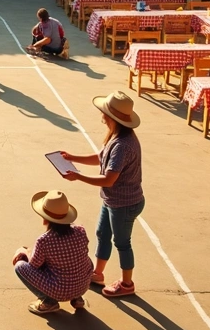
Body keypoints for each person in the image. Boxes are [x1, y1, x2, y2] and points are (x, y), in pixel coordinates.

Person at [59, 91, 145, 298]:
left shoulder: (123, 146)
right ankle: (97, 273)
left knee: (123, 243)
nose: (102, 116)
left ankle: (127, 284)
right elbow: (100, 157)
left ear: (113, 117)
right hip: (112, 200)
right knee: (102, 234)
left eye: (105, 113)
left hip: (124, 203)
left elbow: (109, 179)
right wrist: (73, 158)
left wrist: (78, 177)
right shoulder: (117, 137)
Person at [13, 190, 94, 315]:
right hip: (82, 285)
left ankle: (48, 301)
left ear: (45, 218)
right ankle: (77, 298)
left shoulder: (45, 240)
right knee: (83, 260)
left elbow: (34, 265)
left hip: (60, 290)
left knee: (20, 266)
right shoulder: (80, 231)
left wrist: (25, 251)